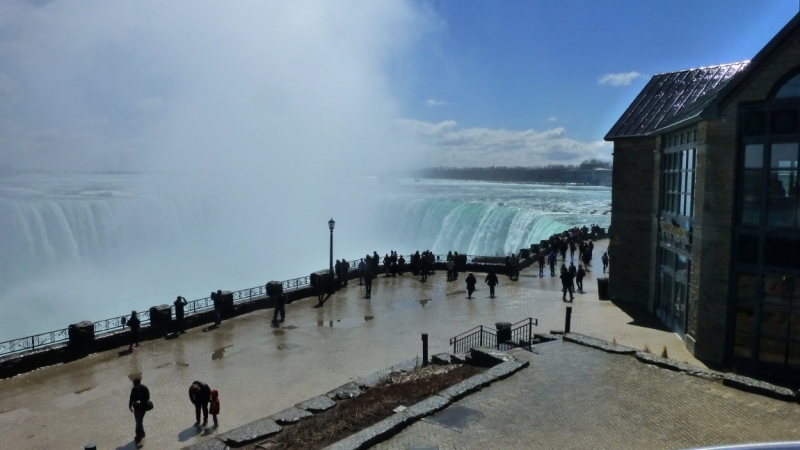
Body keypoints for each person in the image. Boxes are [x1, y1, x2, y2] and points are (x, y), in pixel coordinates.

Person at [128, 377, 150, 444]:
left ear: (134, 383)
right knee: (139, 421)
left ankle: (138, 437)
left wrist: (130, 406)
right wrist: (142, 401)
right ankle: (142, 433)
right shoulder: (144, 388)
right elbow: (147, 397)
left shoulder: (134, 389)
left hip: (137, 408)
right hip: (143, 407)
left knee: (138, 422)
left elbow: (131, 398)